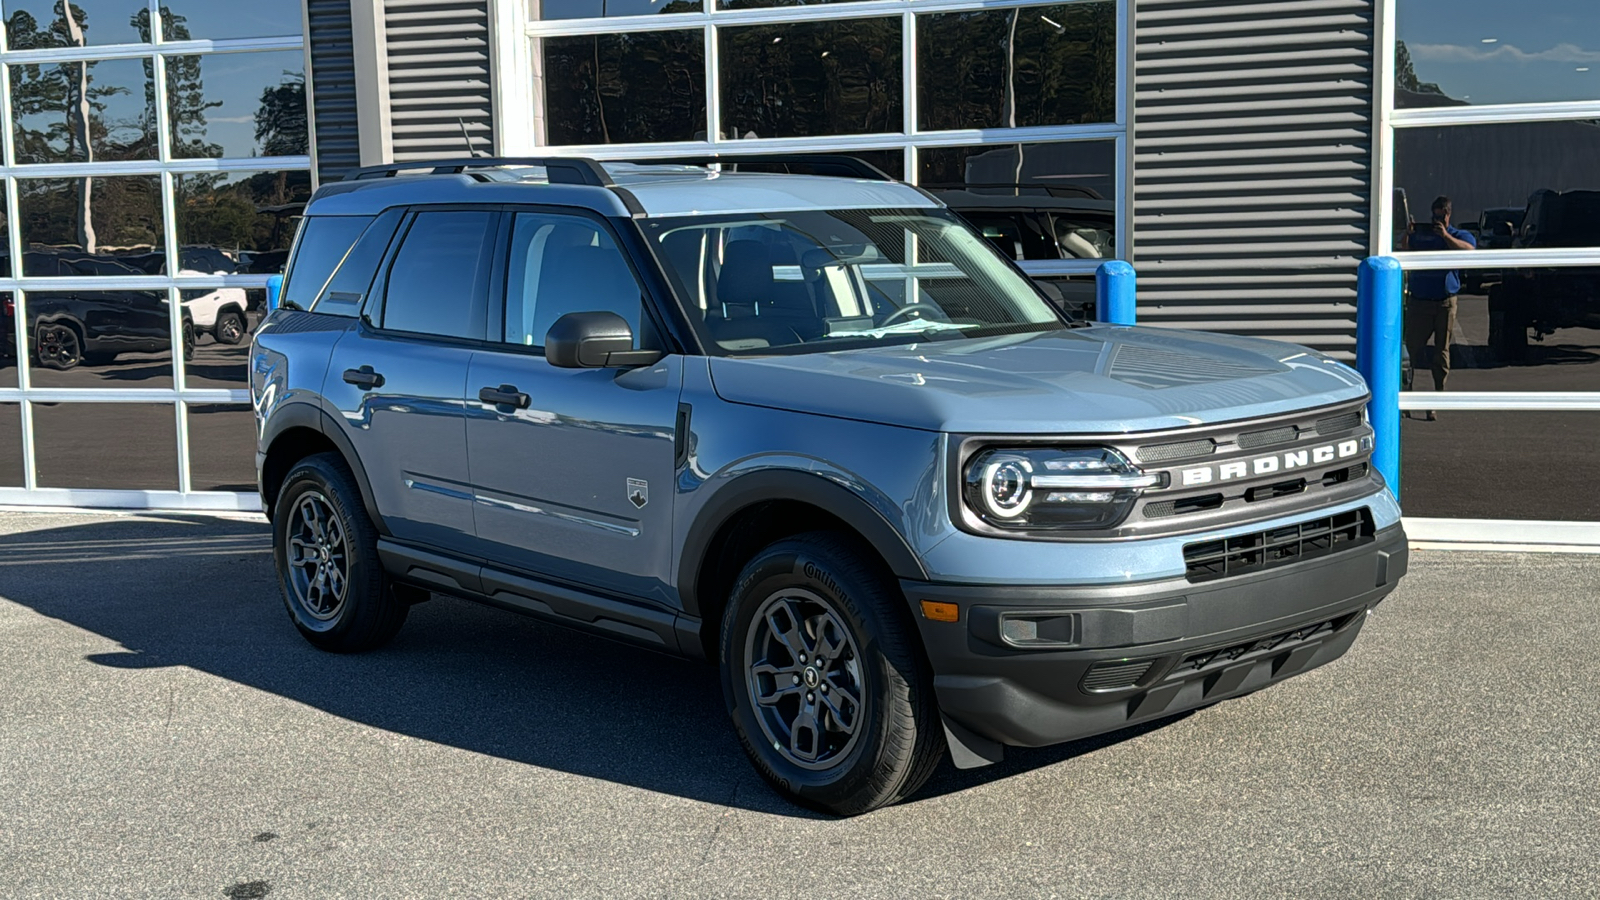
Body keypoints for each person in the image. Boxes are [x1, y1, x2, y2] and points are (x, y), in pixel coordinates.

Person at [1400, 195, 1476, 419]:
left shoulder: (1457, 235)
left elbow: (1469, 250)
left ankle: (1437, 397)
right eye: (1434, 214)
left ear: (1448, 214)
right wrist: (1409, 233)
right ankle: (1406, 397)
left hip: (1444, 302)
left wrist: (1444, 236)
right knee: (1411, 350)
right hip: (1420, 301)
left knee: (1441, 353)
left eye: (1441, 215)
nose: (1437, 218)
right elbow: (1404, 251)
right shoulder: (1422, 235)